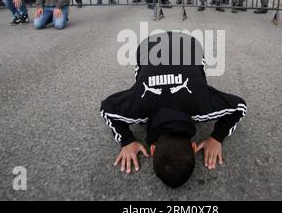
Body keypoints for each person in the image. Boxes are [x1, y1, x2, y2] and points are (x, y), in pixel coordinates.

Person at [100, 32, 247, 188]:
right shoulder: (139, 108)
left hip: (170, 43)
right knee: (148, 78)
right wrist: (126, 141)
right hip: (161, 44)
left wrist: (217, 138)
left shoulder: (202, 106)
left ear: (194, 146)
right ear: (153, 148)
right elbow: (107, 109)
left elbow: (239, 107)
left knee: (196, 81)